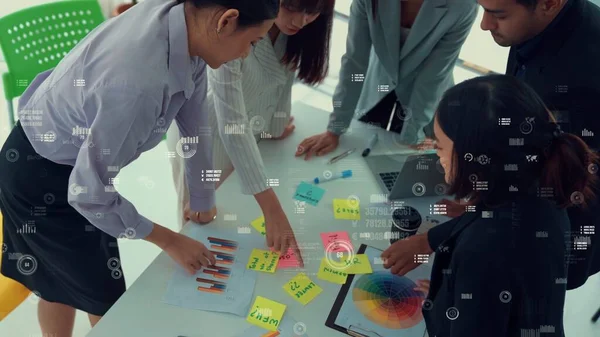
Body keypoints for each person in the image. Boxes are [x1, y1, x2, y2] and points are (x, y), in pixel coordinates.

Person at [0, 0, 278, 336]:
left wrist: (203, 199)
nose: (247, 54)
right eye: (252, 42)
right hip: (38, 178)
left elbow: (194, 123)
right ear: (227, 21)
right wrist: (169, 240)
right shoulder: (136, 85)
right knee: (107, 303)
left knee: (61, 278)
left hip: (67, 166)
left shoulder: (189, 28)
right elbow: (89, 194)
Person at [391, 0, 600, 291]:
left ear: (550, 4)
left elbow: (538, 197)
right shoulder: (534, 26)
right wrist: (479, 203)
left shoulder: (578, 87)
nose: (484, 25)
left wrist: (440, 238)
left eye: (498, 14)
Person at [390, 75, 598, 336]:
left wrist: (464, 297)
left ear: (474, 159)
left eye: (441, 147)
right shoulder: (540, 191)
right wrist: (452, 296)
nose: (437, 153)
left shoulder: (484, 250)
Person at [167, 0, 334, 263]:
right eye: (292, 7)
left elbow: (282, 86)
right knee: (199, 224)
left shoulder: (293, 33)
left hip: (249, 135)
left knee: (234, 221)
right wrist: (272, 208)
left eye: (312, 13)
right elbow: (232, 121)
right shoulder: (236, 27)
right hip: (205, 134)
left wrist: (275, 126)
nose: (300, 21)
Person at [294, 0, 478, 159]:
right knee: (367, 164)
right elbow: (355, 62)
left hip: (426, 104)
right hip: (380, 91)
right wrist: (335, 128)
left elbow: (432, 78)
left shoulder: (463, 6)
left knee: (420, 169)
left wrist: (411, 134)